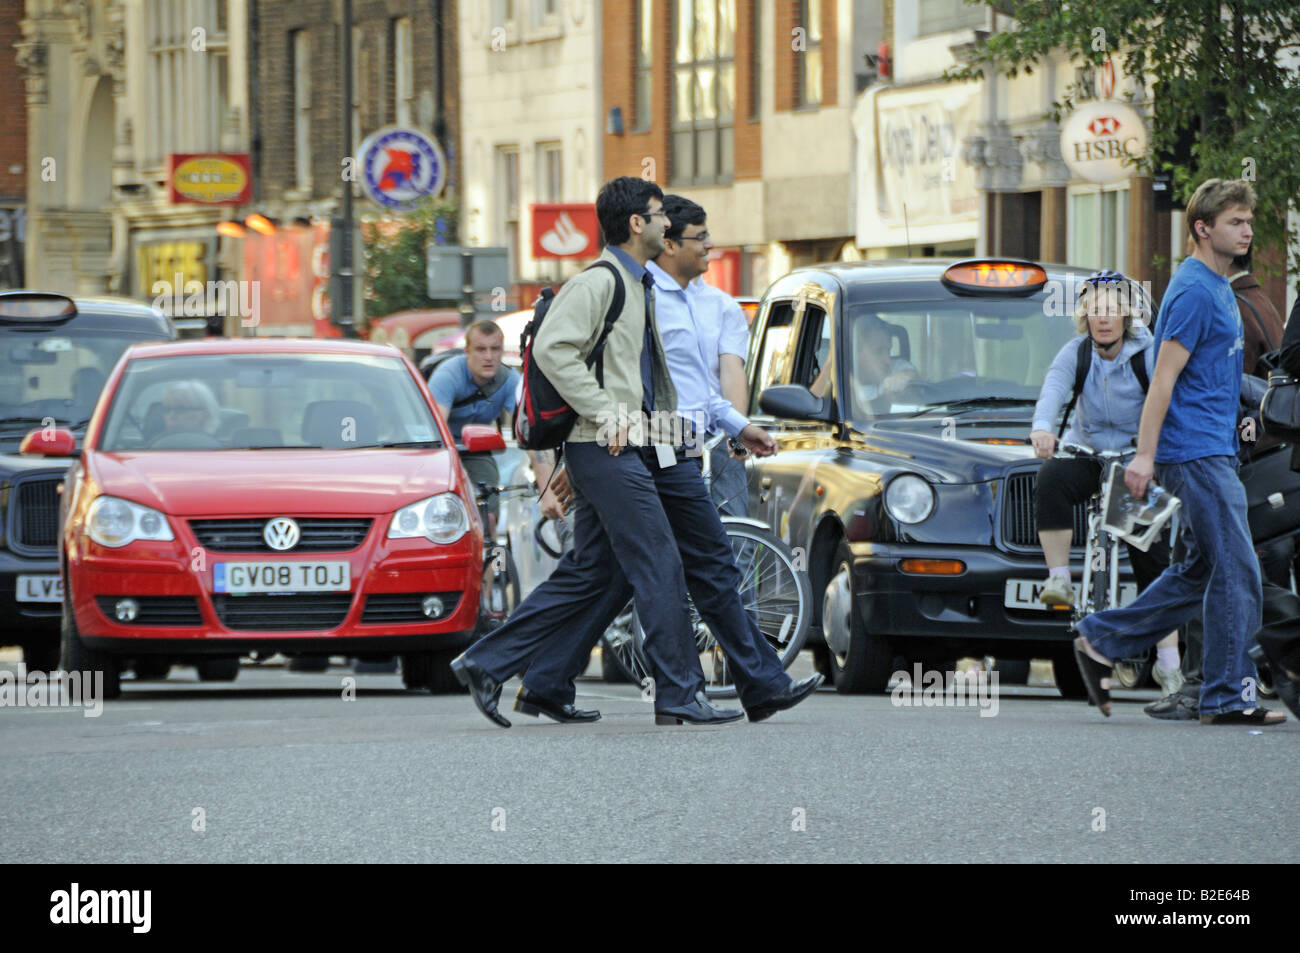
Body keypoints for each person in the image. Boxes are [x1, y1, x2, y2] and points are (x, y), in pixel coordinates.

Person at [450, 176, 821, 728]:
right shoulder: (601, 281)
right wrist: (604, 414)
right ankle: (678, 693)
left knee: (605, 571)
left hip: (659, 447)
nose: (668, 223)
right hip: (609, 447)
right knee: (658, 563)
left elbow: (658, 384)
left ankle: (514, 671)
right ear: (636, 224)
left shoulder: (641, 282)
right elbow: (555, 350)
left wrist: (721, 425)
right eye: (658, 213)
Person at [1071, 178, 1284, 725]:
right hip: (1194, 453)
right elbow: (1162, 380)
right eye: (1235, 221)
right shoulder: (1192, 290)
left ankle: (1100, 638)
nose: (1247, 230)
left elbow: (1215, 374)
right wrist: (1145, 457)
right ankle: (1229, 695)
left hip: (1210, 448)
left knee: (1196, 570)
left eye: (1248, 220)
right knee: (1239, 571)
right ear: (1202, 228)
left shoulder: (1219, 287)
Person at [1029, 270, 1182, 697]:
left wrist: (1151, 455)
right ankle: (1059, 577)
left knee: (1151, 559)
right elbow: (1053, 392)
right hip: (1090, 454)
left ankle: (1169, 663)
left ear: (1128, 316)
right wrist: (1042, 429)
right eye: (1096, 309)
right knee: (1052, 479)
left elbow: (1168, 396)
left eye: (1113, 309)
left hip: (1135, 461)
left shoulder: (1147, 353)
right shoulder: (1076, 354)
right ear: (1085, 316)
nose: (1104, 318)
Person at [644, 199, 754, 514]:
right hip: (665, 432)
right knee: (681, 519)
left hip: (717, 430)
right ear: (669, 244)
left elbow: (731, 372)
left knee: (734, 523)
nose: (710, 245)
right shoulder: (647, 297)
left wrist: (736, 433)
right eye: (700, 237)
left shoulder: (723, 306)